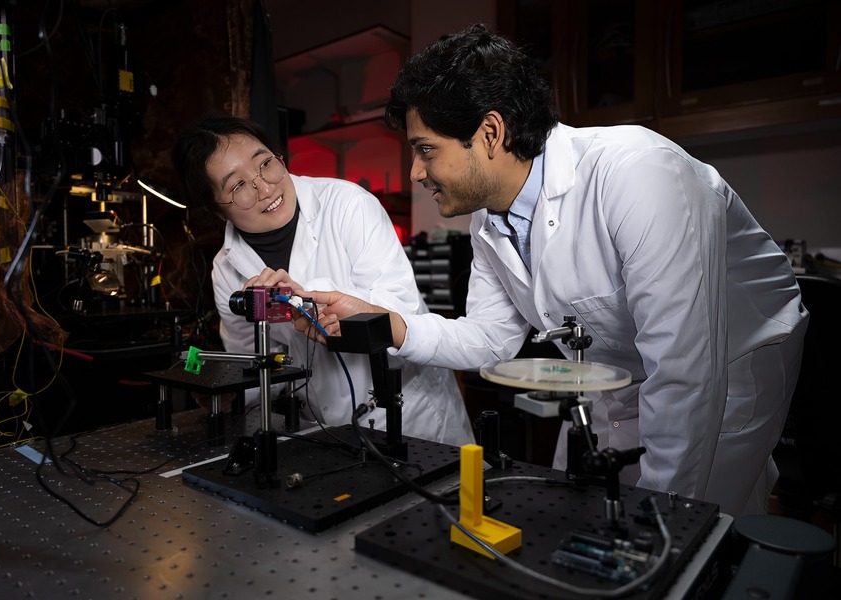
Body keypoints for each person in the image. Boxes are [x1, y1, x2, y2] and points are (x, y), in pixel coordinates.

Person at [300, 24, 808, 517]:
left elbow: (684, 374)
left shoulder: (640, 174)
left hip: (733, 362)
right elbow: (490, 340)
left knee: (699, 522)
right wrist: (383, 320)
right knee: (583, 508)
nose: (415, 172)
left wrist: (660, 530)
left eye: (426, 149)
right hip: (616, 372)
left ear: (491, 132)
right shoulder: (490, 219)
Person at [171, 114, 474, 447]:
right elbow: (263, 366)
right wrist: (232, 392)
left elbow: (401, 315)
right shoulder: (227, 270)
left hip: (412, 419)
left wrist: (302, 296)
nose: (264, 187)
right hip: (323, 428)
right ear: (217, 210)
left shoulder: (347, 205)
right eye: (238, 185)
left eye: (265, 164)